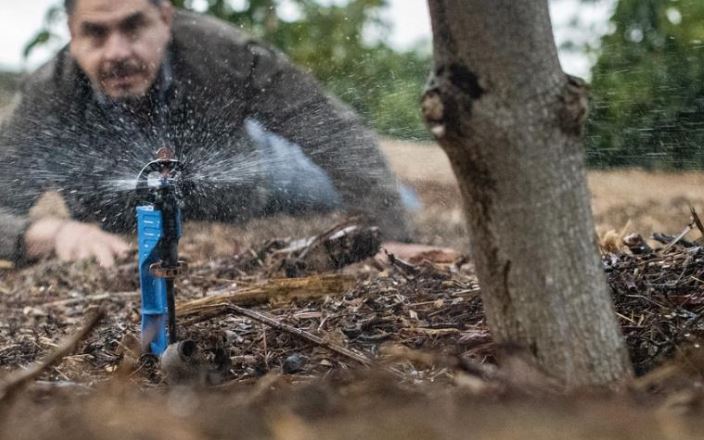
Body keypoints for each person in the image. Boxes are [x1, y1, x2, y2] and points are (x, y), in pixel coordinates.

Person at [0, 0, 413, 267]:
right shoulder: (48, 96)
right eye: (95, 33)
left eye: (133, 27)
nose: (118, 53)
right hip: (128, 218)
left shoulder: (224, 52)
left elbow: (330, 129)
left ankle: (407, 196)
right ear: (72, 35)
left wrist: (391, 233)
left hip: (257, 176)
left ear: (165, 18)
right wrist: (51, 234)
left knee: (359, 189)